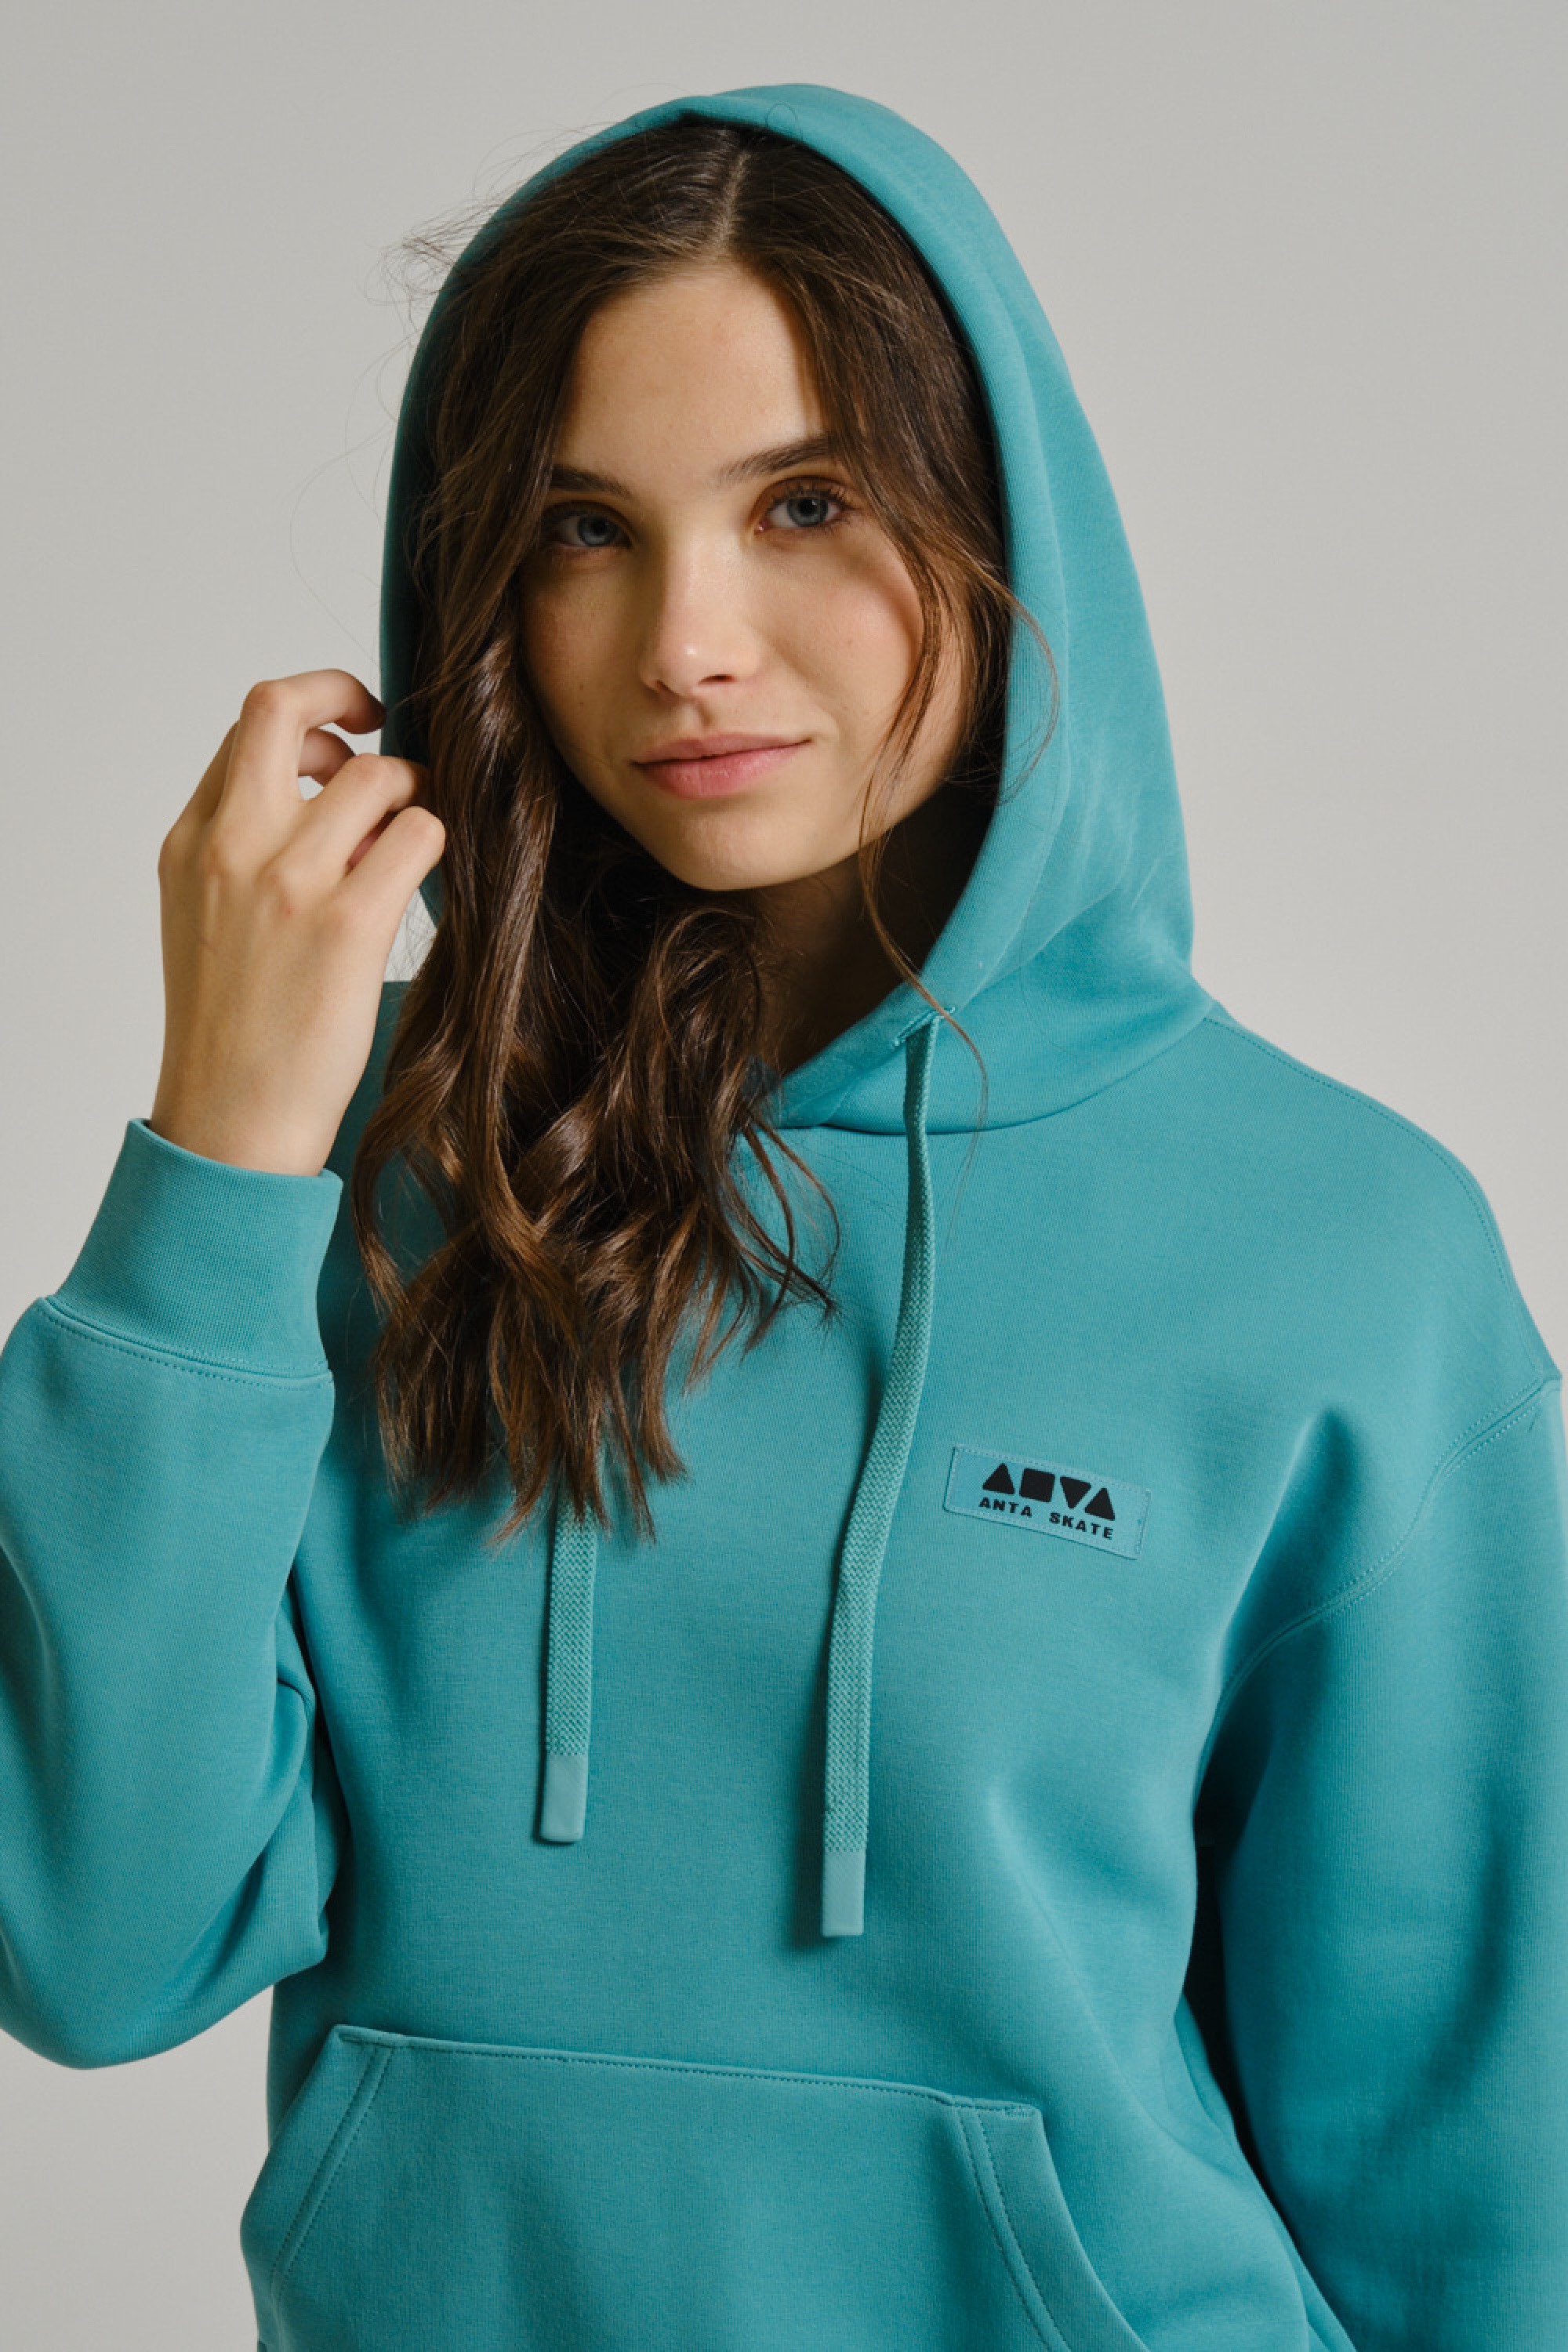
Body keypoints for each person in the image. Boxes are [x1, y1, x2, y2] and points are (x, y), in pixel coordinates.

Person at [1, 78, 1564, 2352]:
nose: (688, 643)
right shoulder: (359, 1191)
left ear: (994, 517)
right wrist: (221, 1155)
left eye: (805, 504)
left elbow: (1473, 2183)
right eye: (586, 528)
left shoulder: (1339, 1252)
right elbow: (88, 1942)